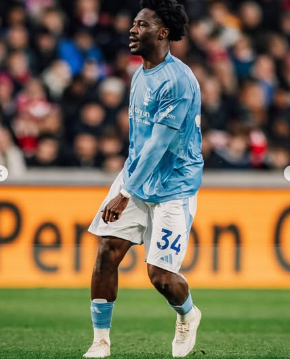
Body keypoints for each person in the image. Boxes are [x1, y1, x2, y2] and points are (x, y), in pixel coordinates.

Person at [83, 0, 204, 358]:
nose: (132, 30)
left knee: (161, 277)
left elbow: (159, 146)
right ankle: (100, 341)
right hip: (136, 177)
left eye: (141, 25)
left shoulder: (179, 81)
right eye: (133, 24)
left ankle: (188, 314)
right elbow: (140, 144)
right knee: (107, 252)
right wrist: (127, 182)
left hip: (173, 187)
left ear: (163, 33)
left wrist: (125, 192)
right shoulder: (141, 73)